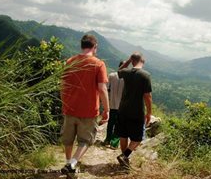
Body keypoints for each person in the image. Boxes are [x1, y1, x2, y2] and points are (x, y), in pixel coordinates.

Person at [60, 34, 109, 174]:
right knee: (85, 140)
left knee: (68, 139)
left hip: (69, 108)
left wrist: (64, 104)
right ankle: (73, 163)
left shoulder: (70, 61)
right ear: (95, 47)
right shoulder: (98, 64)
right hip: (88, 111)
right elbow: (102, 89)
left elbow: (63, 85)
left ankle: (69, 163)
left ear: (82, 46)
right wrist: (107, 109)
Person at [116, 52, 152, 169]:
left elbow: (119, 71)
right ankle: (125, 155)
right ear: (143, 60)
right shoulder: (145, 75)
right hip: (136, 111)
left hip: (122, 109)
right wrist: (149, 112)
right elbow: (147, 96)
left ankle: (124, 160)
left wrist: (128, 61)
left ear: (132, 60)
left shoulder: (126, 72)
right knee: (138, 138)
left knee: (123, 135)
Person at [103, 61, 125, 149]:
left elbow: (106, 88)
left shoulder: (112, 75)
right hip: (122, 106)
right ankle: (114, 143)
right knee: (119, 124)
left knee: (111, 123)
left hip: (112, 104)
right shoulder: (127, 79)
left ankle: (107, 140)